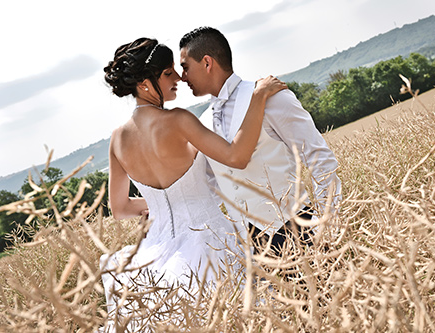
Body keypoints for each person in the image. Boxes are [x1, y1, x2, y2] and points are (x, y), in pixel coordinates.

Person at [99, 37, 287, 321]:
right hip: (208, 240)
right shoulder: (178, 120)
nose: (178, 77)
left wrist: (161, 206)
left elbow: (120, 209)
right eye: (167, 73)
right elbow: (236, 156)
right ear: (144, 84)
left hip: (155, 253)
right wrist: (258, 98)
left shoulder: (117, 140)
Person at [179, 27, 341, 257]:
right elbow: (212, 186)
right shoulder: (202, 123)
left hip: (299, 229)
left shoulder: (272, 97)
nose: (182, 77)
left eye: (185, 68)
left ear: (207, 63)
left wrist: (328, 223)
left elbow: (319, 157)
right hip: (251, 250)